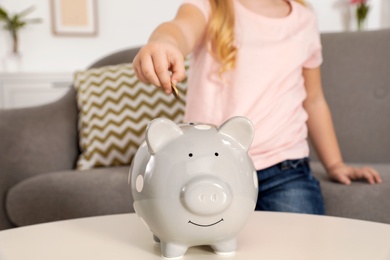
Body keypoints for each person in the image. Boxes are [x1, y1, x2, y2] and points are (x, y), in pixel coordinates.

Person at [133, 0, 382, 214]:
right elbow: (180, 29)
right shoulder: (211, 6)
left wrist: (336, 164)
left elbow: (314, 100)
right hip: (208, 168)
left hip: (285, 171)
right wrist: (163, 43)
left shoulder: (304, 20)